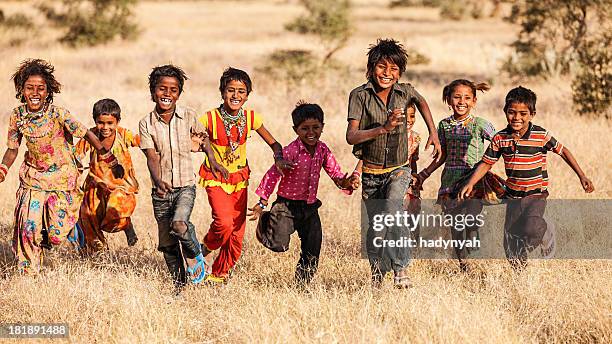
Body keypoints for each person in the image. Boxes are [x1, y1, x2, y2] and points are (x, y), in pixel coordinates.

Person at [0, 59, 122, 274]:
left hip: (63, 178)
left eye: (41, 88)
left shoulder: (58, 114)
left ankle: (52, 235)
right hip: (33, 179)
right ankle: (29, 274)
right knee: (28, 228)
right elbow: (12, 149)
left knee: (56, 235)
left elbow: (87, 133)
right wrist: (3, 169)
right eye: (30, 88)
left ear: (48, 91)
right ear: (22, 90)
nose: (35, 93)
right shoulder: (17, 116)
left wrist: (108, 158)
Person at [459, 86, 594, 268]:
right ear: (505, 111)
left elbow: (563, 151)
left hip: (536, 195)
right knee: (511, 246)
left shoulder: (540, 135)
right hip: (513, 197)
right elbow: (487, 163)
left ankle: (545, 230)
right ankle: (520, 277)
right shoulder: (500, 138)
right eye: (512, 112)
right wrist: (471, 183)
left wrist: (582, 176)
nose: (517, 118)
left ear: (532, 114)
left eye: (523, 113)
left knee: (531, 227)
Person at [345, 38, 441, 288]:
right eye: (382, 67)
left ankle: (401, 269)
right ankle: (377, 274)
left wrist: (433, 132)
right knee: (376, 229)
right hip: (372, 172)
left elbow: (422, 102)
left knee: (393, 211)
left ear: (400, 72)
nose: (387, 74)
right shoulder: (359, 96)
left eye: (394, 69)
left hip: (399, 169)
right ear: (371, 68)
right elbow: (351, 136)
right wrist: (382, 129)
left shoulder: (405, 91)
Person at [196, 67, 293, 284]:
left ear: (248, 95)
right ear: (222, 92)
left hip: (240, 180)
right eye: (231, 90)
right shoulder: (210, 118)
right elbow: (195, 138)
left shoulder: (250, 117)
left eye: (241, 91)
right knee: (223, 223)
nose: (236, 96)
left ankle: (217, 276)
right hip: (216, 178)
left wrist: (278, 157)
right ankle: (204, 248)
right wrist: (203, 148)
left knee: (237, 235)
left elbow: (274, 142)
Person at [249, 102, 360, 286]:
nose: (311, 133)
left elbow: (336, 173)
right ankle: (267, 223)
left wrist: (346, 182)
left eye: (316, 127)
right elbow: (273, 174)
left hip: (310, 208)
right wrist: (262, 203)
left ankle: (302, 284)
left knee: (313, 248)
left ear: (322, 127)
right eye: (304, 128)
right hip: (286, 206)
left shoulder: (323, 150)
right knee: (279, 245)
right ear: (296, 130)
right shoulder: (291, 151)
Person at [139, 64, 226, 288]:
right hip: (160, 191)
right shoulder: (146, 124)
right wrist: (158, 180)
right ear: (152, 92)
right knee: (168, 244)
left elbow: (203, 137)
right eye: (162, 89)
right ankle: (180, 285)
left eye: (173, 90)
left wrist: (212, 159)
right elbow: (151, 156)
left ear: (179, 93)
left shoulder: (188, 116)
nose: (167, 94)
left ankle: (196, 256)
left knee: (179, 224)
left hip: (185, 187)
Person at [415, 79, 501, 270]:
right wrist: (424, 174)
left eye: (467, 98)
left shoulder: (480, 124)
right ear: (448, 99)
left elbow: (498, 142)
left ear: (474, 101)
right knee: (455, 225)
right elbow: (442, 154)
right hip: (450, 181)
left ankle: (473, 243)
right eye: (457, 97)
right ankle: (464, 264)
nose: (462, 102)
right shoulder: (444, 125)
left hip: (474, 179)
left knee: (470, 216)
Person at [73, 98, 140, 253]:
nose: (105, 127)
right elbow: (75, 155)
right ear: (95, 121)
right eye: (100, 122)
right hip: (96, 186)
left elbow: (142, 142)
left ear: (117, 122)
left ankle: (127, 226)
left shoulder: (124, 135)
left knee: (115, 213)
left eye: (110, 123)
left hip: (120, 187)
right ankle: (99, 255)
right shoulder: (91, 136)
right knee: (89, 217)